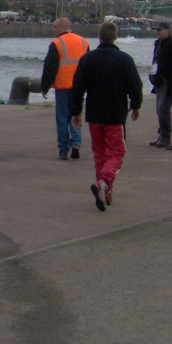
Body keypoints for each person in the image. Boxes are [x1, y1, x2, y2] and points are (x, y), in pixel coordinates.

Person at [70, 22, 143, 212]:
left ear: (99, 37)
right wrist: (136, 104)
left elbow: (78, 87)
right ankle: (104, 182)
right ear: (115, 37)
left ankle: (106, 193)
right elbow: (135, 85)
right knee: (117, 153)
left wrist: (75, 111)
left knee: (100, 155)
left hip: (94, 114)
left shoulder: (87, 59)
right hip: (115, 114)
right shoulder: (125, 60)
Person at [40, 17, 90, 160]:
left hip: (63, 86)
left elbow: (49, 67)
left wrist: (45, 87)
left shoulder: (56, 43)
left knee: (62, 117)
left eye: (55, 27)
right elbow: (89, 64)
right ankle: (76, 143)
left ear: (62, 28)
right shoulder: (84, 42)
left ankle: (63, 150)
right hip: (79, 87)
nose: (53, 29)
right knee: (76, 115)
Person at [148, 21, 172, 147]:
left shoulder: (171, 46)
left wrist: (169, 79)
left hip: (166, 82)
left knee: (163, 109)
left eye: (159, 30)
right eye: (156, 30)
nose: (157, 32)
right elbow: (155, 62)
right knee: (158, 110)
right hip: (158, 81)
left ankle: (166, 137)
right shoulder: (158, 44)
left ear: (167, 30)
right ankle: (162, 135)